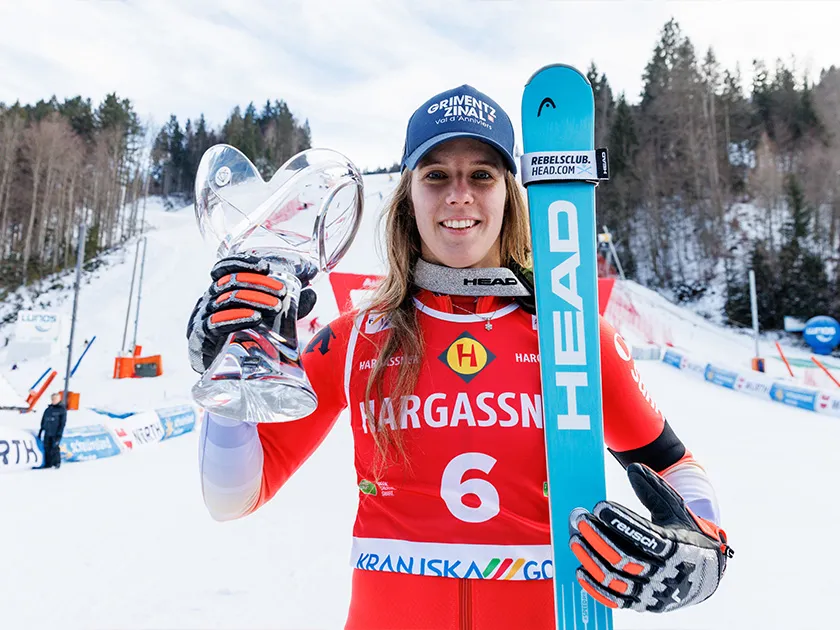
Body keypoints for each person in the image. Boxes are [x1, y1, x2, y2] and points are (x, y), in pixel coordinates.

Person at [188, 84, 732, 629]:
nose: (459, 195)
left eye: (481, 175)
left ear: (509, 195)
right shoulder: (356, 339)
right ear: (408, 195)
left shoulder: (570, 337)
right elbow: (231, 496)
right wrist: (227, 368)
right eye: (436, 175)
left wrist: (700, 548)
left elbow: (674, 465)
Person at [38, 392, 67, 469]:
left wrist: (59, 434)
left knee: (55, 447)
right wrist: (41, 430)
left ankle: (57, 463)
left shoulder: (62, 410)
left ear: (59, 399)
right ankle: (48, 463)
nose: (53, 400)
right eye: (52, 399)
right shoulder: (48, 410)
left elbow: (62, 423)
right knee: (47, 447)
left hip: (56, 432)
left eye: (55, 399)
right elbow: (43, 421)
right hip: (47, 432)